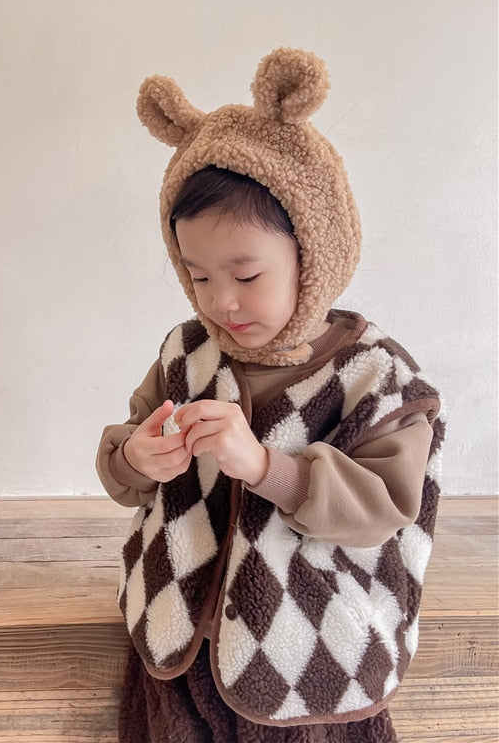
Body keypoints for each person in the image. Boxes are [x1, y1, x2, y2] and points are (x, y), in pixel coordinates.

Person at [96, 48, 445, 743]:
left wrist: (264, 467)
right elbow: (122, 463)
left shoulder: (375, 378)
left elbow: (385, 508)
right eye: (197, 277)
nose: (220, 302)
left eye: (247, 276)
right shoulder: (186, 355)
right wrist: (136, 459)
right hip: (177, 639)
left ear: (313, 253)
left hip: (313, 658)